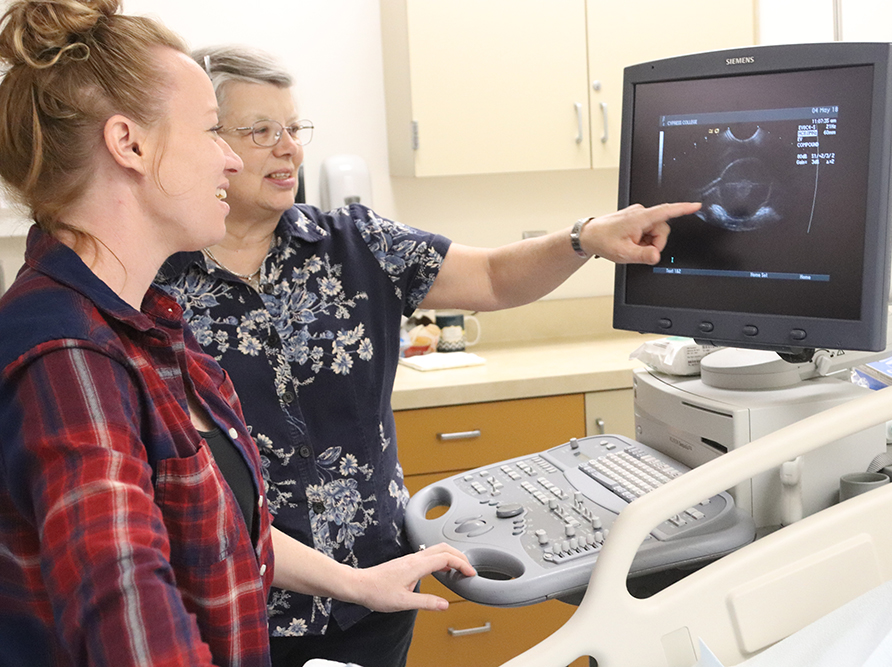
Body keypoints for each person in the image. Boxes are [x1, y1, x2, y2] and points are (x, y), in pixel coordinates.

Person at [156, 44, 700, 667]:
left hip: (375, 590)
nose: (289, 150)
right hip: (231, 606)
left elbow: (494, 277)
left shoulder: (356, 243)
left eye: (293, 128)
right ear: (208, 142)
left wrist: (584, 239)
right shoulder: (155, 281)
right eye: (260, 131)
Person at [0, 3, 474, 666]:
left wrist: (358, 583)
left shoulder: (148, 325)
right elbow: (133, 626)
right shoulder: (71, 359)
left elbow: (224, 530)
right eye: (210, 130)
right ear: (129, 144)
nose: (228, 159)